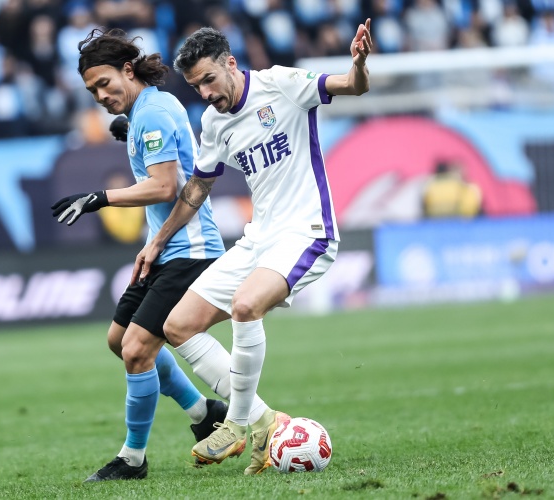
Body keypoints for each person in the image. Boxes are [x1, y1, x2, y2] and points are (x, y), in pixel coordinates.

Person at [132, 21, 373, 471]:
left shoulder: (280, 84)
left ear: (231, 63)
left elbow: (352, 85)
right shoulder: (213, 122)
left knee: (245, 306)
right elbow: (197, 189)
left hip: (306, 232)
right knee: (178, 325)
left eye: (209, 79)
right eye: (195, 86)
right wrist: (156, 242)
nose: (205, 93)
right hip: (258, 238)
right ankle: (264, 422)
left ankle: (236, 424)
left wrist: (358, 63)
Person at [50, 28, 273, 482]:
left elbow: (165, 186)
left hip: (188, 250)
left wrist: (99, 198)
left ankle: (133, 458)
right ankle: (203, 413)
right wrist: (130, 129)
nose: (100, 95)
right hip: (164, 249)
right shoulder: (147, 109)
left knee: (137, 350)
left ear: (127, 70)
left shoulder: (150, 114)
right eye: (92, 91)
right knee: (120, 342)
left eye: (105, 83)